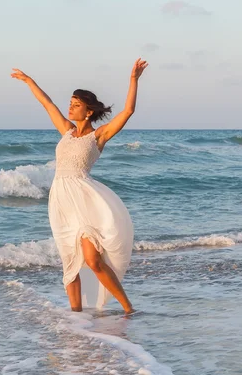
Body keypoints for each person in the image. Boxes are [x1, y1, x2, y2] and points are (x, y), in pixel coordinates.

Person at [11, 59, 148, 314]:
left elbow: (127, 111)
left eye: (76, 105)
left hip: (85, 200)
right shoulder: (66, 131)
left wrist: (133, 80)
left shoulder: (99, 135)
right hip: (61, 201)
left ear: (88, 112)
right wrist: (29, 81)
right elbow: (47, 104)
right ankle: (77, 319)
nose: (70, 108)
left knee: (93, 260)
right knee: (69, 261)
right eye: (70, 104)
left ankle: (128, 308)